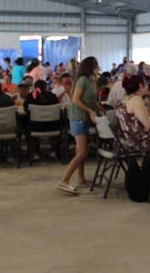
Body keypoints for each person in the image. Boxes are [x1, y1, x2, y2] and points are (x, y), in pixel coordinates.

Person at [58, 57, 102, 195]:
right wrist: (90, 111)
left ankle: (81, 179)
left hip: (84, 118)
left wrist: (100, 109)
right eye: (96, 65)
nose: (98, 66)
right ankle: (64, 180)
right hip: (78, 118)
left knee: (81, 151)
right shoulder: (83, 80)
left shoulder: (92, 81)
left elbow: (92, 101)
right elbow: (76, 100)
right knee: (83, 152)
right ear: (91, 67)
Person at [113, 73, 150, 155]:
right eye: (146, 83)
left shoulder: (123, 100)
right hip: (135, 143)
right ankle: (149, 167)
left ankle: (144, 167)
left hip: (122, 143)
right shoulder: (137, 99)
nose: (147, 86)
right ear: (140, 85)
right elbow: (148, 124)